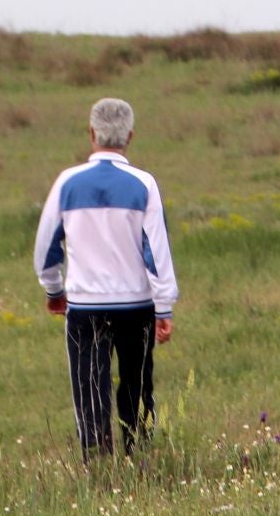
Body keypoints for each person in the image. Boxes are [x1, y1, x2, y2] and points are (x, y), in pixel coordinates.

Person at [33, 97, 178, 460]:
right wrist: (164, 307)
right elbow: (156, 252)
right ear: (130, 136)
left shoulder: (67, 182)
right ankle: (140, 458)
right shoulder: (144, 183)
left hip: (85, 307)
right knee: (137, 386)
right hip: (137, 305)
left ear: (91, 133)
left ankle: (97, 466)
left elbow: (46, 247)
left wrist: (54, 289)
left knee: (89, 388)